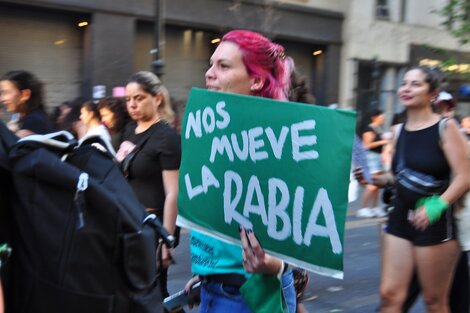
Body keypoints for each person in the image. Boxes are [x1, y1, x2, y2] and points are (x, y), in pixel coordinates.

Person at [184, 30, 296, 313]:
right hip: (212, 288)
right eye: (211, 64)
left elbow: (301, 235)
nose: (209, 74)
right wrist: (207, 271)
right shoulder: (209, 134)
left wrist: (276, 265)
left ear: (256, 80)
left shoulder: (279, 143)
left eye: (223, 66)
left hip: (250, 294)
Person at [358, 66, 469, 312]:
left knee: (434, 302)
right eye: (404, 83)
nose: (406, 89)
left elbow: (465, 176)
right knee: (390, 296)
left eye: (416, 84)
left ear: (433, 93)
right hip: (400, 219)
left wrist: (436, 206)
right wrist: (372, 179)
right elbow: (397, 177)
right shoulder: (398, 131)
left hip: (435, 223)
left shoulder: (445, 127)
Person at [117, 71, 180, 304]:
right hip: (129, 224)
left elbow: (173, 192)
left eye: (139, 98)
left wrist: (167, 238)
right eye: (128, 99)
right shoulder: (129, 131)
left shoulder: (166, 137)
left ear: (157, 99)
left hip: (153, 229)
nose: (132, 104)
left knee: (153, 295)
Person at [356, 109, 389, 218]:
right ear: (375, 117)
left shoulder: (378, 129)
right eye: (381, 116)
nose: (383, 118)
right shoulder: (369, 129)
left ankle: (375, 207)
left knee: (377, 185)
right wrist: (383, 141)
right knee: (371, 184)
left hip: (378, 157)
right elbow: (367, 145)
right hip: (371, 157)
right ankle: (363, 208)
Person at [0, 70, 52, 137]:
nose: (2, 99)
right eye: (1, 93)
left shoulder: (33, 121)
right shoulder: (21, 118)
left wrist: (8, 133)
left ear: (25, 94)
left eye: (6, 93)